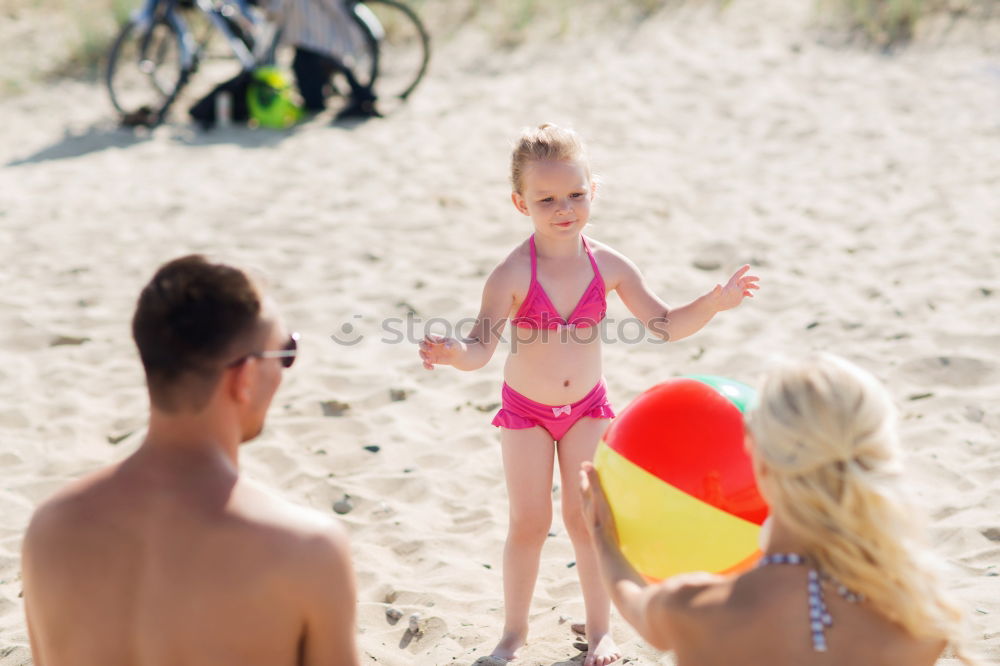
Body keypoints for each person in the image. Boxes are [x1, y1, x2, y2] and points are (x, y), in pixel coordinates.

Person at [418, 123, 759, 665]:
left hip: (587, 410)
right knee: (528, 523)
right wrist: (451, 353)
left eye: (575, 194)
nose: (563, 208)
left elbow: (665, 325)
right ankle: (512, 635)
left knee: (588, 522)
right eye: (546, 199)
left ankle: (602, 633)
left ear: (592, 190)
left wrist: (713, 303)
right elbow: (480, 349)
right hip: (524, 412)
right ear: (519, 202)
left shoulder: (610, 265)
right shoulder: (510, 274)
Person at [21, 255, 360, 666]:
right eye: (285, 353)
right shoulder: (304, 550)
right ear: (246, 377)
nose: (284, 370)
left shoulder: (51, 529)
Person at [580, 353, 981, 666]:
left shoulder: (700, 610)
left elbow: (631, 600)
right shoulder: (918, 620)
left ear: (759, 456)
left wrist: (601, 533)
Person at [267, 0, 379, 119]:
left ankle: (362, 96)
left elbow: (274, 12)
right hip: (332, 34)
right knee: (337, 62)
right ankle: (363, 96)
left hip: (311, 40)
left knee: (312, 97)